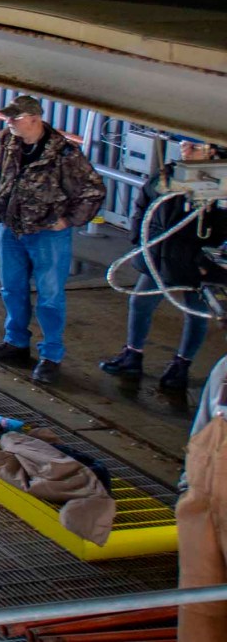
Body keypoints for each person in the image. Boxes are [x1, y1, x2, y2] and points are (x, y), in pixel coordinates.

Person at [0, 95, 107, 385]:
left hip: (48, 235)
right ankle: (16, 342)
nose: (9, 122)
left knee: (49, 296)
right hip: (11, 229)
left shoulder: (64, 153)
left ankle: (51, 355)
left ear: (35, 119)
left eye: (16, 117)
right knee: (12, 288)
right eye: (9, 117)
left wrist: (68, 220)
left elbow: (93, 189)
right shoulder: (4, 141)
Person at [103, 138, 227, 393]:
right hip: (159, 253)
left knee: (194, 313)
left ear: (212, 151)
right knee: (140, 303)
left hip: (195, 261)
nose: (185, 149)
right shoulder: (169, 173)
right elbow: (144, 202)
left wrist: (205, 261)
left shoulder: (220, 185)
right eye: (183, 144)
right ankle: (132, 355)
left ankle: (181, 366)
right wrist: (139, 239)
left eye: (193, 146)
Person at [179, 354, 227, 641]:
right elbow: (204, 428)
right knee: (201, 617)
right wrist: (187, 489)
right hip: (203, 515)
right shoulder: (224, 368)